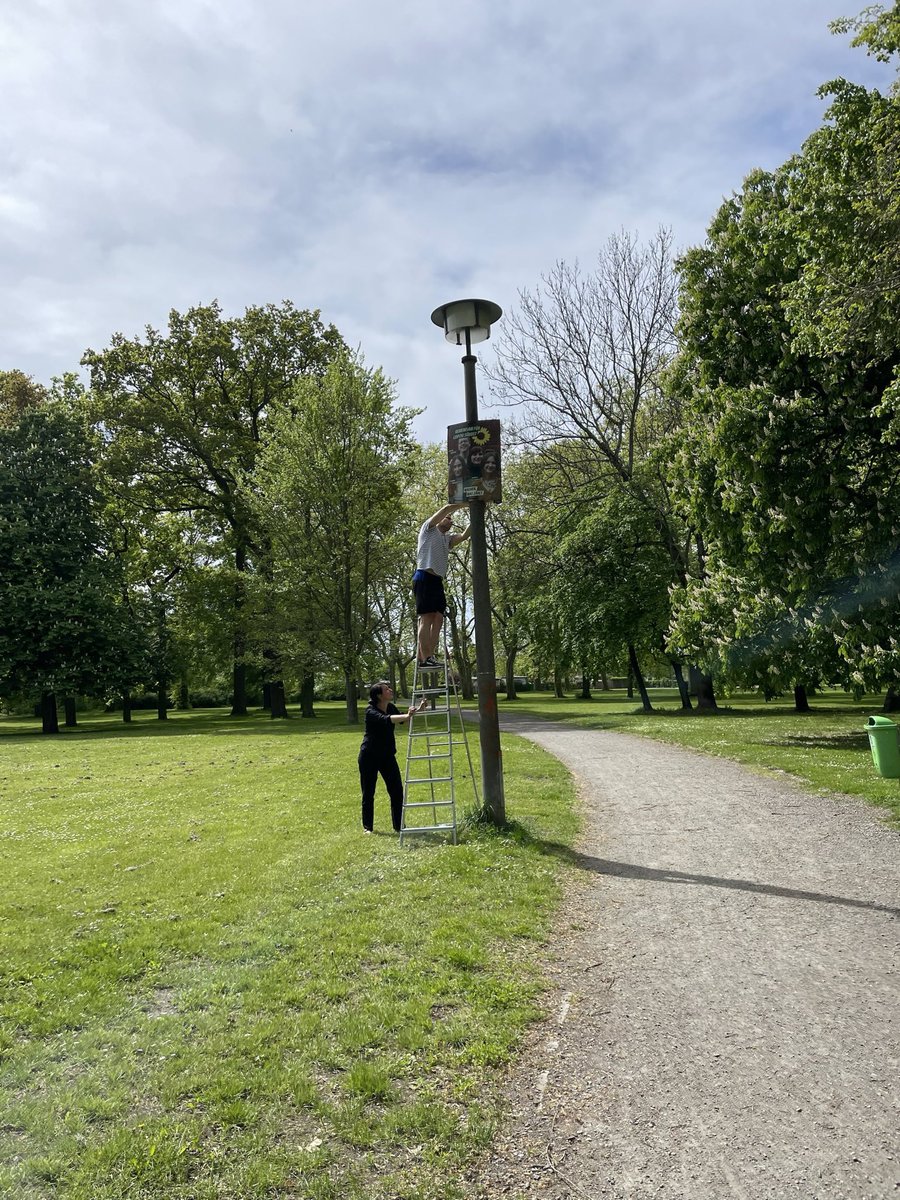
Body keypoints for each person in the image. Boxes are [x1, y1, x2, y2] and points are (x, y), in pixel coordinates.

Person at [358, 682, 426, 833]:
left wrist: (418, 710)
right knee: (368, 792)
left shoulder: (390, 707)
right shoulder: (370, 711)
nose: (390, 690)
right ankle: (367, 827)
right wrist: (407, 715)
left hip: (387, 756)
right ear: (379, 695)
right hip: (369, 756)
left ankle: (399, 826)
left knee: (396, 791)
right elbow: (387, 719)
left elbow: (402, 719)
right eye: (386, 689)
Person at [413, 502, 470, 666]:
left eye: (452, 520)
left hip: (437, 581)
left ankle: (426, 657)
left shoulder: (447, 540)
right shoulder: (428, 529)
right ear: (438, 520)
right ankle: (425, 658)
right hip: (424, 576)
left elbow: (465, 535)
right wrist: (465, 503)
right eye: (448, 518)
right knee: (426, 618)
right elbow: (446, 508)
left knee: (438, 617)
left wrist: (477, 509)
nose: (451, 521)